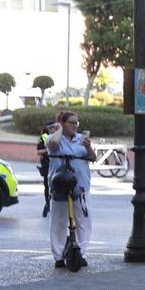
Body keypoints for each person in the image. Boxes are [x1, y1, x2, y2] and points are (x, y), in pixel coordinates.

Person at [46, 110, 95, 269]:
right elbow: (52, 144)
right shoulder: (54, 138)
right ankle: (58, 256)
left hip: (81, 184)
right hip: (59, 183)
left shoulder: (82, 139)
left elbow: (92, 158)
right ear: (62, 124)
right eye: (71, 122)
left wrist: (88, 148)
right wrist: (59, 129)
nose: (75, 125)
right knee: (58, 221)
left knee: (83, 220)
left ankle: (81, 252)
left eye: (76, 123)